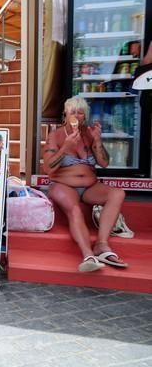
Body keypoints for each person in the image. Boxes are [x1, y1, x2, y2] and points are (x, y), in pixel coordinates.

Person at [42, 96, 127, 272]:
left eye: (80, 112)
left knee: (118, 193)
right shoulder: (56, 135)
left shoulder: (89, 134)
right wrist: (65, 148)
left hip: (90, 186)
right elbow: (48, 169)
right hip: (63, 184)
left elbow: (104, 163)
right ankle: (88, 255)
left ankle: (102, 245)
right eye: (73, 111)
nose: (76, 115)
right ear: (65, 114)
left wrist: (97, 141)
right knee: (75, 209)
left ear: (84, 116)